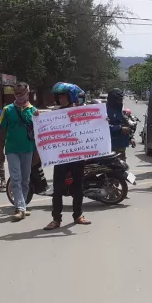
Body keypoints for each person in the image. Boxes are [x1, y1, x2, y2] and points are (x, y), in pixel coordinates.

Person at [44, 83, 91, 230]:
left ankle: (78, 215)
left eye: (64, 96)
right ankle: (56, 219)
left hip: (77, 156)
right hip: (61, 157)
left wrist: (102, 121)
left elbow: (91, 128)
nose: (61, 99)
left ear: (71, 97)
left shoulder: (81, 113)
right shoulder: (54, 114)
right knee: (57, 189)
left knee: (78, 188)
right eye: (59, 96)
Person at [0, 82, 38, 222]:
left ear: (27, 93)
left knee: (25, 180)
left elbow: (40, 133)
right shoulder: (7, 109)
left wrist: (37, 153)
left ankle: (23, 206)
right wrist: (0, 150)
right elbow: (2, 131)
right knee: (16, 179)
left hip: (28, 149)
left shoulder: (34, 110)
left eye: (21, 93)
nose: (19, 95)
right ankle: (20, 208)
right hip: (12, 149)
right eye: (16, 93)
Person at [107, 88, 134, 159]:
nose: (120, 101)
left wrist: (131, 138)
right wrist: (120, 128)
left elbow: (126, 124)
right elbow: (103, 127)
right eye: (118, 100)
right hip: (109, 145)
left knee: (122, 164)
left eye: (121, 99)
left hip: (121, 143)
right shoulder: (104, 111)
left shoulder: (119, 109)